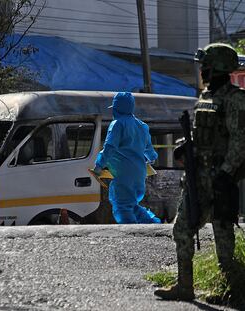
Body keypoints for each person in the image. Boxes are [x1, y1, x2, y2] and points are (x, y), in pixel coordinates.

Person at [154, 43, 245, 301]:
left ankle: (231, 289)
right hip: (198, 176)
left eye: (205, 66)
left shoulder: (235, 99)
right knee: (182, 228)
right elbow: (201, 136)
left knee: (222, 234)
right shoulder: (205, 97)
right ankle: (185, 286)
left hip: (220, 177)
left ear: (217, 68)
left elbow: (240, 140)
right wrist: (186, 149)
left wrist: (226, 174)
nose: (202, 71)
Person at [93, 92, 160, 224]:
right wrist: (151, 158)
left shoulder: (117, 124)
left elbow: (110, 147)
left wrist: (99, 165)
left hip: (123, 175)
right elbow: (150, 153)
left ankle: (130, 236)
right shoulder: (142, 126)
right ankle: (153, 225)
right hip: (140, 174)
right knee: (132, 205)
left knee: (121, 206)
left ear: (116, 108)